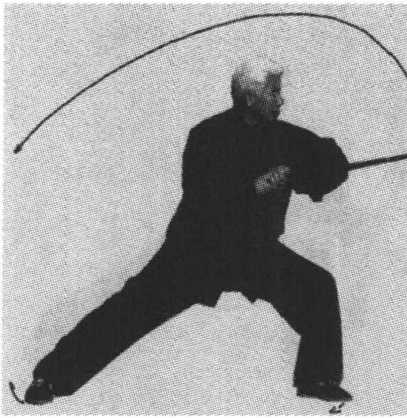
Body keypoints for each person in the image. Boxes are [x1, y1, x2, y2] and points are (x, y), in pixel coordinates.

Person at [23, 58, 352, 405]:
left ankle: (317, 378)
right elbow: (209, 201)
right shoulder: (206, 136)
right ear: (250, 97)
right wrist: (262, 184)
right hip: (197, 250)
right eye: (274, 92)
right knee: (131, 309)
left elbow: (327, 163)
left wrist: (326, 167)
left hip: (254, 250)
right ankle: (51, 379)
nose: (281, 99)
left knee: (317, 287)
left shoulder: (286, 137)